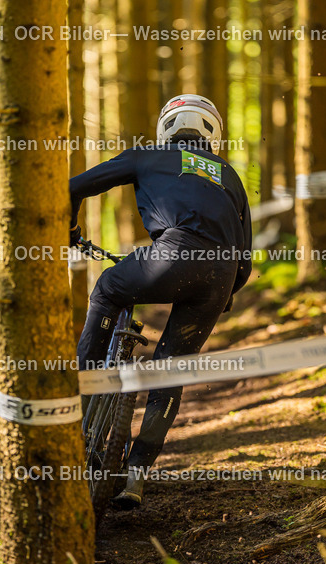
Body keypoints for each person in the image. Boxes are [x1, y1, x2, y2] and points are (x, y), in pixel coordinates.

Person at [68, 94, 253, 509]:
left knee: (109, 288)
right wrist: (218, 298)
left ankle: (76, 406)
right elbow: (244, 261)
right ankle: (135, 476)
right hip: (220, 276)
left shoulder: (146, 156)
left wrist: (71, 229)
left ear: (165, 128)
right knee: (171, 368)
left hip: (172, 254)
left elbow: (72, 187)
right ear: (213, 134)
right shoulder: (229, 175)